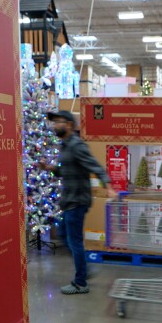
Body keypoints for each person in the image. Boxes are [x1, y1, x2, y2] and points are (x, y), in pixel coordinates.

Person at [44, 110, 117, 295]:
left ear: (68, 124)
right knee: (63, 235)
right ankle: (84, 267)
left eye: (58, 122)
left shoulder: (77, 145)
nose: (54, 125)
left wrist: (107, 186)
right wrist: (50, 168)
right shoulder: (65, 146)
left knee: (74, 241)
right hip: (69, 200)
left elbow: (95, 165)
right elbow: (64, 171)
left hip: (77, 200)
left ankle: (80, 282)